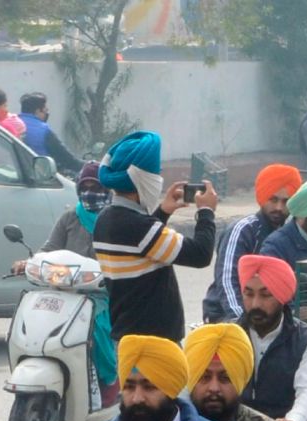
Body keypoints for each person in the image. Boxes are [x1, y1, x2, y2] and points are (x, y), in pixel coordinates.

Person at [91, 131, 220, 345]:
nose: (159, 179)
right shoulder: (140, 227)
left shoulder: (106, 218)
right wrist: (206, 211)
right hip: (154, 343)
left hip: (128, 336)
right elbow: (200, 255)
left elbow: (143, 249)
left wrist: (163, 212)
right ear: (143, 179)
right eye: (156, 174)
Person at [232, 254, 307, 421]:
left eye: (265, 295)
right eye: (249, 294)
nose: (256, 304)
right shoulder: (228, 335)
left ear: (281, 296)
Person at [207, 164, 301, 325]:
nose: (279, 207)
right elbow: (228, 281)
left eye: (286, 201)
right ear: (262, 197)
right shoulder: (242, 230)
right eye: (273, 199)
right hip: (228, 316)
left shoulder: (291, 232)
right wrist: (242, 323)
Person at [14, 92, 85, 174]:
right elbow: (67, 159)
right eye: (45, 111)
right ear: (37, 111)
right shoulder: (43, 130)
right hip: (38, 177)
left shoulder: (10, 123)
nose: (47, 114)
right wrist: (90, 166)